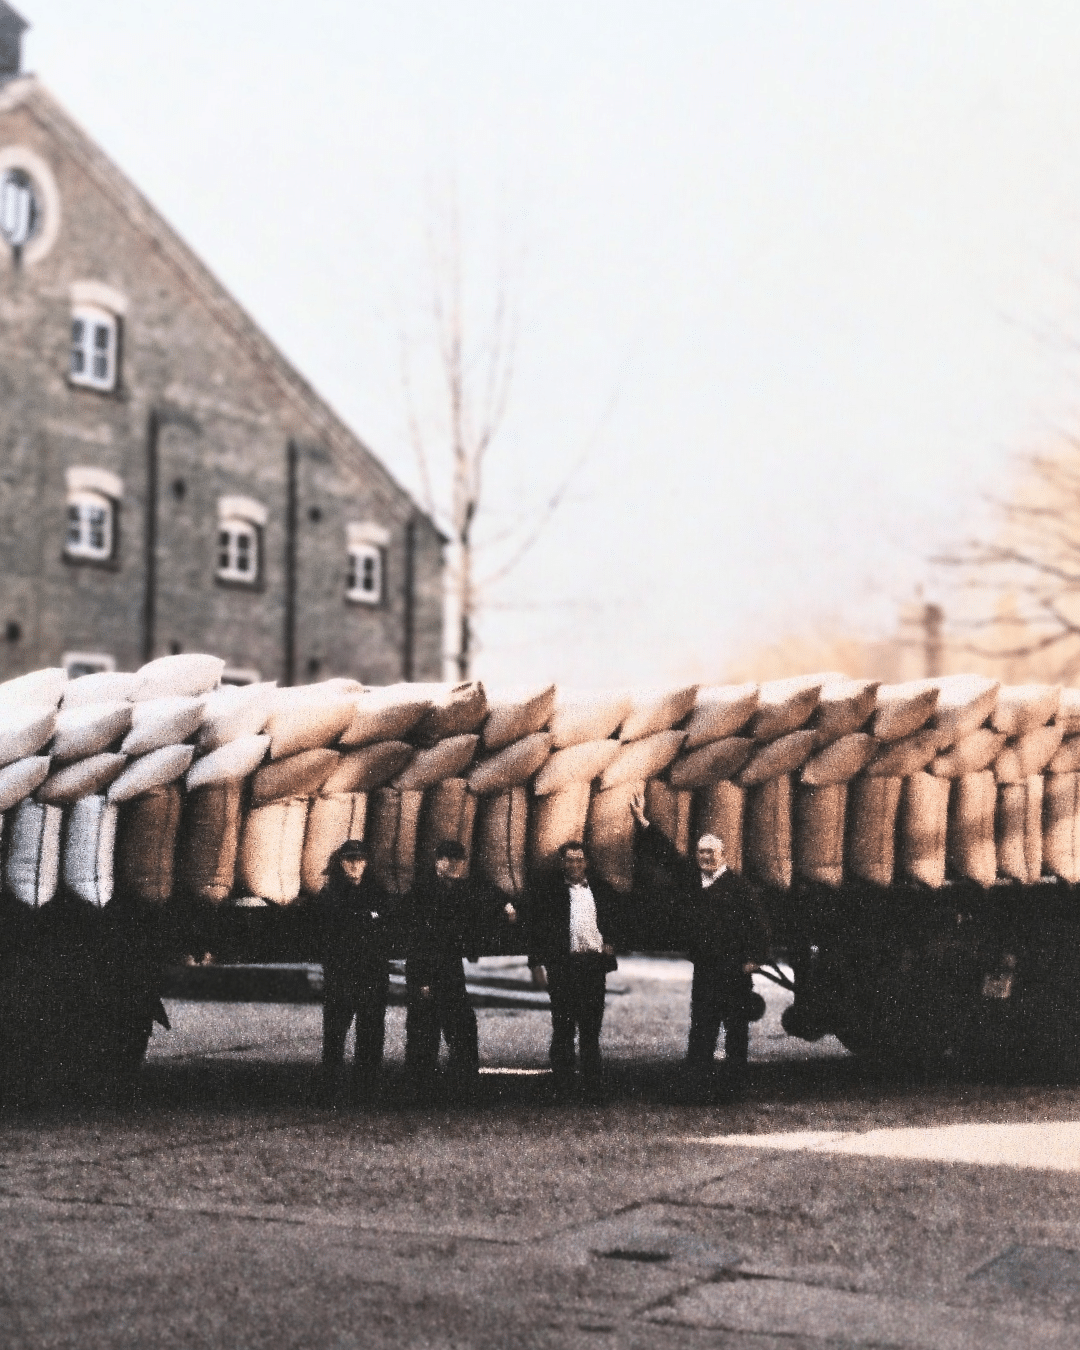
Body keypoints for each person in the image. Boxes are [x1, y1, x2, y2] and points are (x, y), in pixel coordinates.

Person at [630, 792, 768, 1087]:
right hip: (706, 967)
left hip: (734, 969)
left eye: (711, 852)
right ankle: (697, 1086)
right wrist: (643, 821)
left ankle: (733, 1086)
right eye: (702, 852)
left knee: (735, 1029)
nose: (706, 857)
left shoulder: (739, 887)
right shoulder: (693, 880)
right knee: (702, 1026)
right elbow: (668, 856)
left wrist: (755, 959)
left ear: (723, 854)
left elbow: (758, 925)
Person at [527, 839, 619, 1097]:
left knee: (591, 1029)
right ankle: (563, 1086)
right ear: (562, 863)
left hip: (592, 966)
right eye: (570, 860)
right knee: (563, 1028)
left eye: (579, 860)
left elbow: (616, 917)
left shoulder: (601, 889)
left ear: (586, 862)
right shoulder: (550, 892)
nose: (575, 865)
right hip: (564, 966)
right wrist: (536, 964)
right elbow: (537, 929)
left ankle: (592, 1088)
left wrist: (611, 942)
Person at [317, 838, 401, 1105]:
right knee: (335, 1034)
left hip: (371, 973)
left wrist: (362, 919)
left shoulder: (378, 892)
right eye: (349, 860)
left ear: (367, 863)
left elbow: (386, 928)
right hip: (341, 973)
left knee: (371, 1033)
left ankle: (366, 1091)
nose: (354, 866)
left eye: (359, 860)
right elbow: (328, 933)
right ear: (341, 863)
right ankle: (329, 1091)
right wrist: (367, 918)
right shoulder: (330, 893)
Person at [404, 839, 483, 1095]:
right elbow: (416, 940)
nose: (453, 865)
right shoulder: (422, 891)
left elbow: (486, 893)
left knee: (462, 1028)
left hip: (450, 970)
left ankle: (462, 1087)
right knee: (424, 1033)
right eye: (447, 859)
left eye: (457, 860)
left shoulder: (459, 889)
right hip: (426, 970)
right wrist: (422, 980)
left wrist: (505, 904)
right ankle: (420, 1091)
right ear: (437, 862)